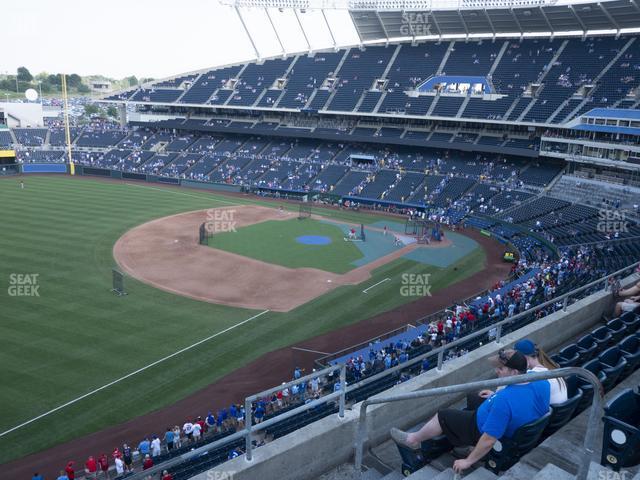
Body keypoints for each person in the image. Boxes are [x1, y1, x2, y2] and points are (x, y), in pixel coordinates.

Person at [390, 350, 549, 474]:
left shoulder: (505, 400)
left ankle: (413, 440)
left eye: (501, 368)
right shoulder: (541, 379)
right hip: (514, 428)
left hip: (479, 428)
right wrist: (494, 396)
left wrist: (467, 462)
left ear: (515, 372)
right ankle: (458, 442)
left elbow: (489, 440)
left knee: (443, 415)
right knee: (474, 397)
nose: (496, 371)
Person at [514, 339, 568, 405]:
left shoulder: (533, 376)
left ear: (524, 358)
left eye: (516, 359)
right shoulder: (550, 367)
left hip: (550, 412)